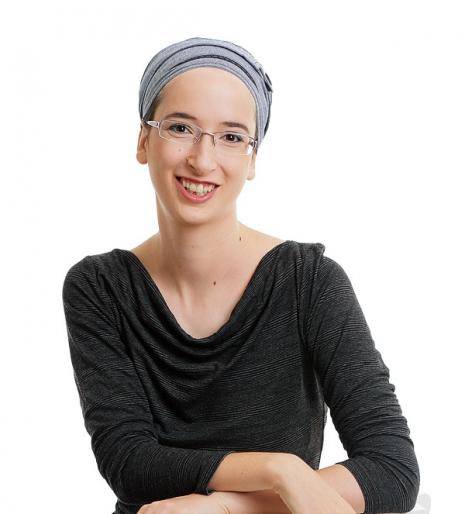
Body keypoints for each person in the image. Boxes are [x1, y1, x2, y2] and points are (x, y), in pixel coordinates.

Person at [62, 37, 420, 514]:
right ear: (143, 140)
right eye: (180, 127)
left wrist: (227, 508)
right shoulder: (99, 287)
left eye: (232, 137)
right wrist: (281, 471)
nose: (202, 159)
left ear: (252, 159)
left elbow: (392, 470)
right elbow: (129, 462)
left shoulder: (309, 282)